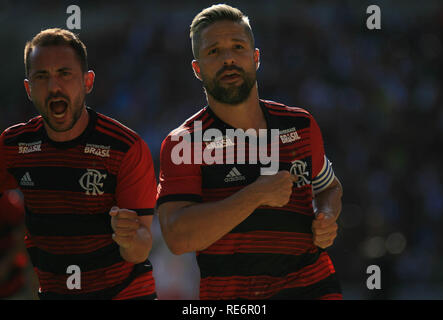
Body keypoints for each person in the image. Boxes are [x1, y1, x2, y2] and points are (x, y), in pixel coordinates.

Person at [156, 4, 343, 299]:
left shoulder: (301, 124)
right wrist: (255, 195)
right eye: (214, 51)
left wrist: (327, 215)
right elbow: (177, 237)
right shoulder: (185, 142)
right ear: (197, 69)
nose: (228, 58)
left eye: (238, 47)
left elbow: (329, 187)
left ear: (255, 58)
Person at [0, 28, 157, 299]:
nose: (54, 87)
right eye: (42, 76)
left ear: (87, 82)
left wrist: (129, 237)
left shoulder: (126, 148)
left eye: (64, 73)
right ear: (28, 88)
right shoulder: (13, 145)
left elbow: (140, 249)